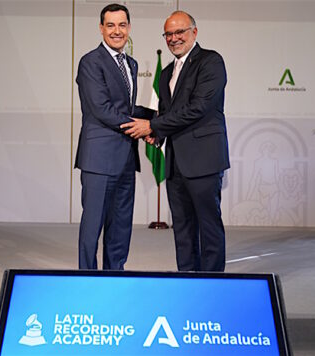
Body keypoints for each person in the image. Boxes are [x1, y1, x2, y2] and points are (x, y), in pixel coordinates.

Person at [121, 11, 229, 271]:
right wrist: (142, 120)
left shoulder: (211, 61)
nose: (174, 38)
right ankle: (188, 280)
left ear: (194, 31)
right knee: (182, 228)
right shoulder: (167, 71)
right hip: (175, 163)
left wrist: (153, 125)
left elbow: (198, 108)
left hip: (203, 160)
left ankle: (213, 284)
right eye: (168, 33)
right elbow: (168, 115)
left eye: (179, 31)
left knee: (209, 226)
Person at [75, 3, 153, 270]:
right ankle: (87, 280)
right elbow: (102, 109)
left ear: (129, 28)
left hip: (125, 160)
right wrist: (142, 128)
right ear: (101, 28)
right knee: (92, 227)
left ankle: (114, 276)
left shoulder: (130, 64)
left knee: (120, 227)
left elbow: (126, 110)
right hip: (98, 160)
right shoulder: (90, 62)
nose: (116, 31)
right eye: (110, 25)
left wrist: (156, 119)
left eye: (122, 25)